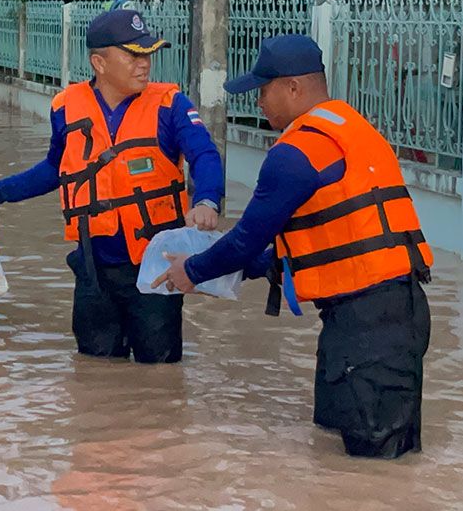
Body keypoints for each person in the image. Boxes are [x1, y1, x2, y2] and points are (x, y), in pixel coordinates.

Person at [152, 34, 432, 458]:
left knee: (375, 466)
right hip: (383, 314)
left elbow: (247, 237)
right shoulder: (350, 128)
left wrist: (191, 272)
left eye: (263, 91)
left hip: (369, 327)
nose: (259, 103)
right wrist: (235, 269)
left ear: (294, 88)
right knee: (348, 453)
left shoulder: (295, 153)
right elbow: (318, 239)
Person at [0, 7, 224, 364]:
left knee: (160, 376)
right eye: (133, 54)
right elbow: (55, 169)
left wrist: (207, 200)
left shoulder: (170, 105)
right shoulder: (66, 108)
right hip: (93, 268)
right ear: (99, 63)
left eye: (147, 54)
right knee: (93, 372)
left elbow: (205, 155)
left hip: (155, 268)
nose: (144, 63)